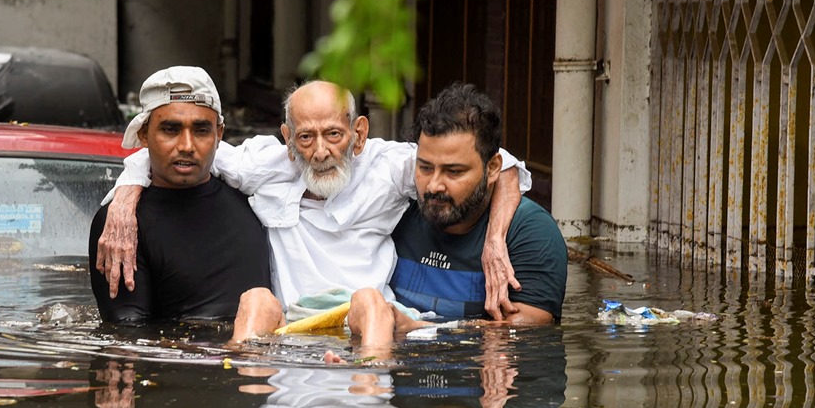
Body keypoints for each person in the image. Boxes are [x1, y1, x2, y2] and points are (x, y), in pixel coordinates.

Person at [95, 80, 532, 336]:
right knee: (256, 303)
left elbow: (506, 167)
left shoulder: (392, 165)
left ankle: (368, 386)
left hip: (369, 327)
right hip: (287, 332)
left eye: (333, 135)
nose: (320, 151)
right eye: (305, 137)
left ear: (358, 133)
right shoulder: (263, 163)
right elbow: (177, 155)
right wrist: (125, 199)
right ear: (287, 138)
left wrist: (493, 241)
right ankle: (233, 382)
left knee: (368, 303)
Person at [343, 83, 568, 349]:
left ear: (493, 167)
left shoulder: (530, 232)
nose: (434, 185)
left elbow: (529, 329)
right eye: (425, 168)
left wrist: (421, 330)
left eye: (454, 172)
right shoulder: (395, 207)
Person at [87, 66, 271, 323]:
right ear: (143, 134)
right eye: (170, 130)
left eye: (201, 130)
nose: (186, 146)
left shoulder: (256, 196)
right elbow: (127, 343)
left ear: (219, 134)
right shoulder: (121, 227)